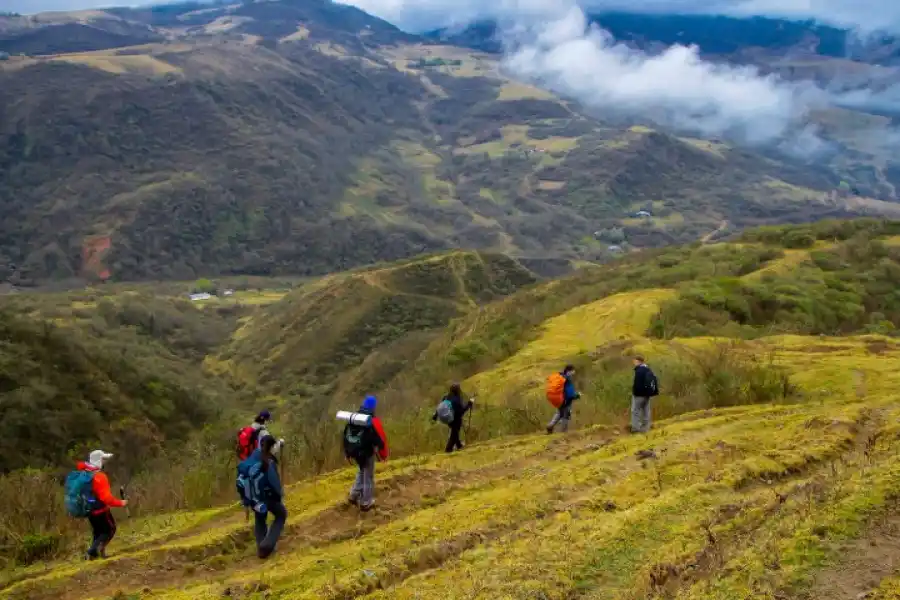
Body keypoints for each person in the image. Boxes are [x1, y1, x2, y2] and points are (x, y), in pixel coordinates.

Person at [75, 450, 127, 560]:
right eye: (103, 460)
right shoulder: (100, 477)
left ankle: (96, 555)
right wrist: (120, 502)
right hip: (101, 510)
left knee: (98, 533)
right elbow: (106, 498)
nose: (104, 462)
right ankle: (91, 552)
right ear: (98, 461)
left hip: (89, 511)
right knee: (109, 530)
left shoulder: (84, 475)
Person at [345, 395, 389, 512]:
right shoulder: (371, 421)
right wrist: (382, 453)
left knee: (362, 471)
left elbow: (345, 435)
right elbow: (378, 439)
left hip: (356, 453)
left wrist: (347, 454)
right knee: (368, 476)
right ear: (373, 407)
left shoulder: (354, 418)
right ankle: (366, 502)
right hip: (366, 453)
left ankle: (353, 495)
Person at [249, 435, 287, 559]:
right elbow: (274, 483)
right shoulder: (269, 462)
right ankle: (267, 545)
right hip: (268, 498)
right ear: (271, 447)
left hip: (255, 498)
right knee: (281, 514)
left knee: (260, 520)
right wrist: (279, 497)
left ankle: (261, 550)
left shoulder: (254, 458)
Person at [432, 383, 474, 453]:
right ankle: (448, 449)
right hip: (454, 419)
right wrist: (469, 404)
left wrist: (436, 416)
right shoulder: (457, 400)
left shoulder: (446, 396)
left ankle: (459, 445)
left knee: (455, 432)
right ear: (458, 390)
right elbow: (461, 411)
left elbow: (441, 406)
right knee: (454, 434)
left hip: (447, 418)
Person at [547, 365, 580, 434]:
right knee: (566, 415)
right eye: (572, 372)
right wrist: (577, 395)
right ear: (568, 371)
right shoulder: (567, 380)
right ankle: (563, 432)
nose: (573, 374)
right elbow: (570, 395)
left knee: (559, 413)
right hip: (565, 401)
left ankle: (550, 426)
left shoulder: (559, 377)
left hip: (558, 399)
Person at [631, 355, 659, 433]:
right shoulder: (648, 369)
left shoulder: (639, 371)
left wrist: (635, 393)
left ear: (638, 361)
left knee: (635, 411)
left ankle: (636, 428)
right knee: (646, 411)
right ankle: (646, 428)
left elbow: (637, 384)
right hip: (647, 394)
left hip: (639, 394)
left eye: (634, 361)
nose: (633, 363)